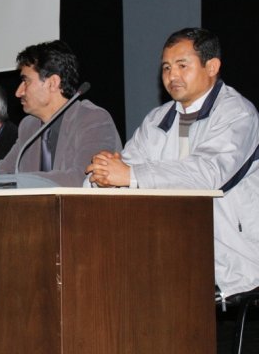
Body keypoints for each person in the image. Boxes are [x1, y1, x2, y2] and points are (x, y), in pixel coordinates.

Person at [85, 27, 259, 299]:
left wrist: (130, 175)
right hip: (167, 249)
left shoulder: (237, 114)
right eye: (166, 67)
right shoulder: (157, 119)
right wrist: (102, 176)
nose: (172, 75)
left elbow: (207, 175)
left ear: (211, 66)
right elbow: (127, 166)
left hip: (231, 255)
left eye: (182, 65)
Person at [0, 40, 122, 186]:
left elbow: (84, 178)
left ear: (52, 83)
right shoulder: (28, 126)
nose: (18, 92)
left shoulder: (93, 119)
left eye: (26, 81)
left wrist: (14, 181)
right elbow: (2, 172)